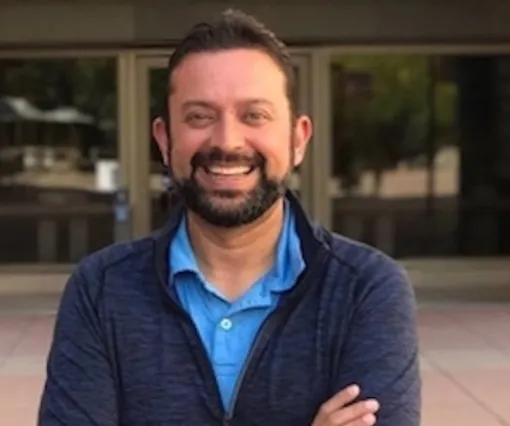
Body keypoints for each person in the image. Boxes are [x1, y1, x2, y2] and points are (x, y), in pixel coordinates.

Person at [38, 9, 420, 426]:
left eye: (254, 115)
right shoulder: (100, 291)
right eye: (200, 116)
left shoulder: (366, 289)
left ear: (298, 138)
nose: (227, 141)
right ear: (165, 140)